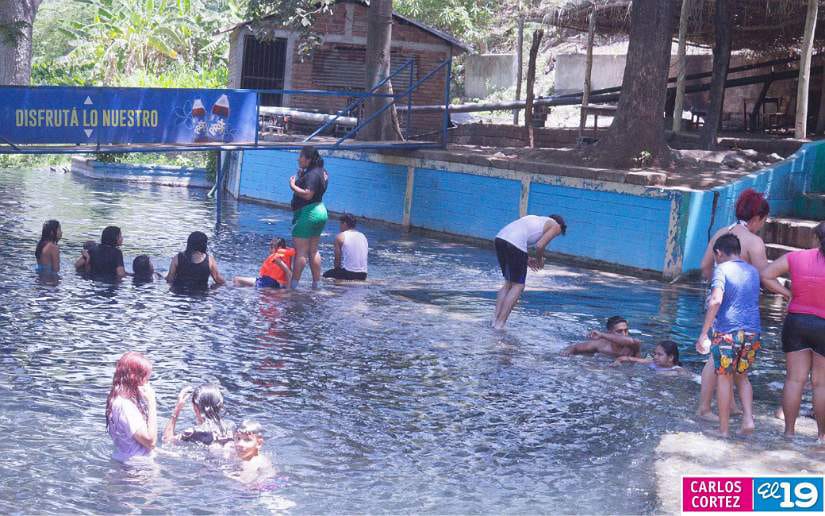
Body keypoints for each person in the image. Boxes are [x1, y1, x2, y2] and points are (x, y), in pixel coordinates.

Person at [696, 189, 770, 421]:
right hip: (737, 310)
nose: (762, 225)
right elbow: (765, 277)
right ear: (756, 218)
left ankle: (730, 405)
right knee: (717, 358)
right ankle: (704, 408)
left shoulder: (722, 232)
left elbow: (704, 266)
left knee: (726, 356)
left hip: (716, 301)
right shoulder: (754, 242)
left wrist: (717, 286)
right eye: (763, 221)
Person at [761, 222, 825, 441]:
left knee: (794, 380)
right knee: (821, 384)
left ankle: (788, 433)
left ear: (816, 238)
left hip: (796, 322)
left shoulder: (796, 257)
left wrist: (788, 294)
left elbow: (766, 275)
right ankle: (822, 437)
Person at [695, 234, 761, 437]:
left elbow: (716, 300)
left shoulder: (721, 269)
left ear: (719, 253)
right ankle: (748, 418)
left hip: (727, 332)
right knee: (743, 377)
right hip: (752, 331)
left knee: (724, 379)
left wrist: (704, 333)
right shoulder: (753, 271)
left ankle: (723, 430)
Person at [493, 214, 566, 329]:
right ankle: (500, 324)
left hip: (500, 239)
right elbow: (540, 245)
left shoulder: (535, 219)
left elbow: (518, 238)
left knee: (508, 283)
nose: (554, 236)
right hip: (514, 243)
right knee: (518, 285)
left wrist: (526, 259)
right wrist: (539, 260)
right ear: (560, 225)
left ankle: (494, 321)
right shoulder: (556, 226)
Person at [106, 351, 157, 463]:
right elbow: (150, 442)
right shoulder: (126, 407)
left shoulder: (114, 400)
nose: (147, 384)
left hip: (125, 461)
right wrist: (152, 402)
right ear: (135, 378)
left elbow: (133, 442)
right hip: (139, 467)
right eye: (146, 380)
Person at [289, 146, 329, 288]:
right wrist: (302, 176)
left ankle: (293, 286)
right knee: (313, 250)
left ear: (308, 159)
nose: (298, 159)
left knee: (301, 252)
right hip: (320, 210)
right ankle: (316, 285)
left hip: (308, 213)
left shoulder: (312, 174)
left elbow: (308, 194)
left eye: (301, 156)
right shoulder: (322, 171)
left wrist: (292, 186)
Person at [163, 383, 234, 446]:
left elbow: (167, 440)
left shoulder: (193, 433)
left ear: (195, 408)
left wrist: (177, 408)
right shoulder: (231, 427)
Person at [561, 316, 641, 358]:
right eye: (619, 331)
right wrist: (566, 354)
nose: (624, 334)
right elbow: (574, 347)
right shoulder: (601, 344)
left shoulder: (632, 346)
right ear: (609, 333)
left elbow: (634, 341)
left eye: (626, 330)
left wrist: (602, 334)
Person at [323, 213, 368, 281]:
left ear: (344, 223)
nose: (339, 226)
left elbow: (337, 260)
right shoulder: (363, 236)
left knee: (325, 275)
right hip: (363, 275)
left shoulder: (340, 237)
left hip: (349, 274)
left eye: (340, 224)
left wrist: (336, 272)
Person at [612, 340, 684, 373]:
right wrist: (618, 361)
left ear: (670, 357)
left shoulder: (677, 369)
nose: (655, 357)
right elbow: (627, 358)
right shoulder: (652, 362)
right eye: (655, 354)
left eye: (659, 354)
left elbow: (689, 375)